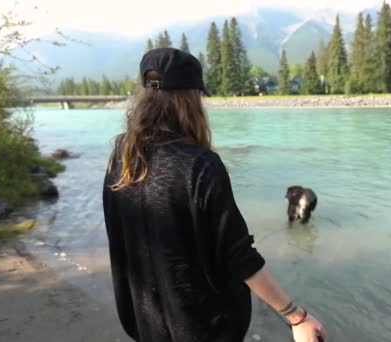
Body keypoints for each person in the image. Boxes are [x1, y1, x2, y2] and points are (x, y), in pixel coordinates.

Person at [102, 47, 327, 342]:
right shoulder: (198, 164)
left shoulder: (122, 158)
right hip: (203, 328)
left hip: (148, 323)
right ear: (190, 99)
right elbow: (237, 253)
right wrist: (296, 316)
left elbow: (119, 241)